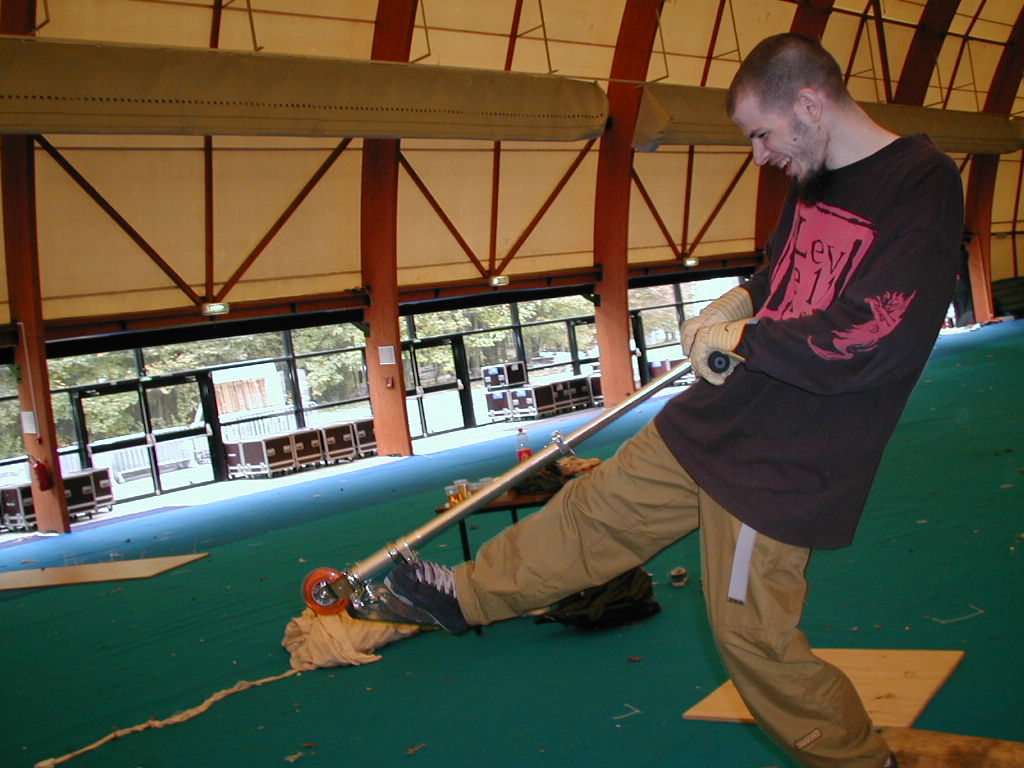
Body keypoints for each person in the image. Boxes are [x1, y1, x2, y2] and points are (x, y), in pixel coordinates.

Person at [386, 33, 962, 768]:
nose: (760, 155)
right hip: (727, 410)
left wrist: (743, 336)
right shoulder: (813, 170)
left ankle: (860, 761)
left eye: (761, 134)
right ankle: (465, 596)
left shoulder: (921, 180)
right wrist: (735, 302)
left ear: (810, 104)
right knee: (597, 511)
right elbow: (782, 274)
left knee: (752, 638)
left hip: (788, 453)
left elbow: (878, 331)